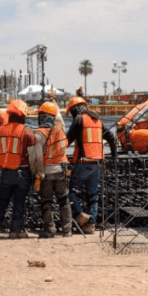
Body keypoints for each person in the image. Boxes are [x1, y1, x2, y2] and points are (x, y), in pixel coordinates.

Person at [65, 96, 118, 234]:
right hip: (98, 163)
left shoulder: (79, 119)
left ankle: (79, 215)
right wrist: (114, 156)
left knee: (68, 189)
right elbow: (112, 138)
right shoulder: (98, 120)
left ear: (75, 109)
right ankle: (91, 225)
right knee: (93, 195)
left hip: (83, 162)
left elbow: (66, 141)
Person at [0, 99, 35, 239]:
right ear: (23, 115)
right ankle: (16, 231)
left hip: (6, 171)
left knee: (2, 202)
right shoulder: (27, 132)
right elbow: (32, 156)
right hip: (22, 171)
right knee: (19, 202)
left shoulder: (1, 130)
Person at [29, 101, 72, 238]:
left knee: (46, 201)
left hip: (46, 173)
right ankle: (67, 230)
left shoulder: (39, 134)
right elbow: (64, 147)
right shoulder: (59, 130)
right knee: (64, 200)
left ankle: (50, 230)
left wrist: (38, 173)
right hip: (61, 170)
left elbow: (38, 158)